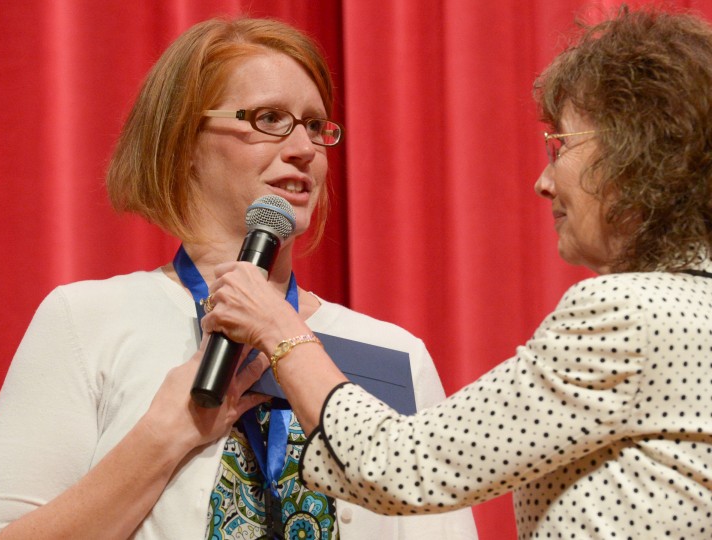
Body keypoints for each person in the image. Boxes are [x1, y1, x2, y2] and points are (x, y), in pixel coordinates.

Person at [197, 6, 712, 539]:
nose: (543, 182)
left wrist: (279, 328)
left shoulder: (624, 315)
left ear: (636, 153)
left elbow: (398, 466)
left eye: (559, 146)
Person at [0, 16, 477, 540]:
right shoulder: (89, 322)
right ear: (185, 143)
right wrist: (162, 438)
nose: (304, 149)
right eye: (270, 118)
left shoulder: (391, 353)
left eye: (315, 126)